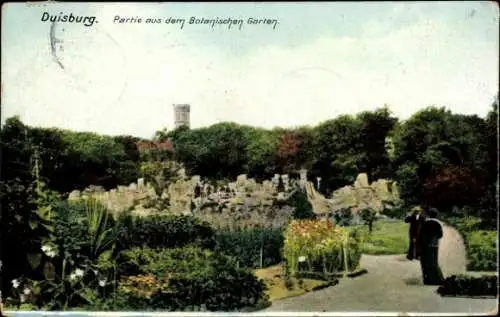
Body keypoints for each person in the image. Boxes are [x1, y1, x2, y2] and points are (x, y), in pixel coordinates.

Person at [419, 207, 445, 285]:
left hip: (425, 245)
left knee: (425, 262)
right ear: (436, 215)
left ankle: (427, 279)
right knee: (434, 262)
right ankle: (436, 279)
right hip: (435, 245)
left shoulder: (425, 223)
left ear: (429, 215)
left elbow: (421, 234)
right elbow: (440, 235)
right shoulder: (438, 223)